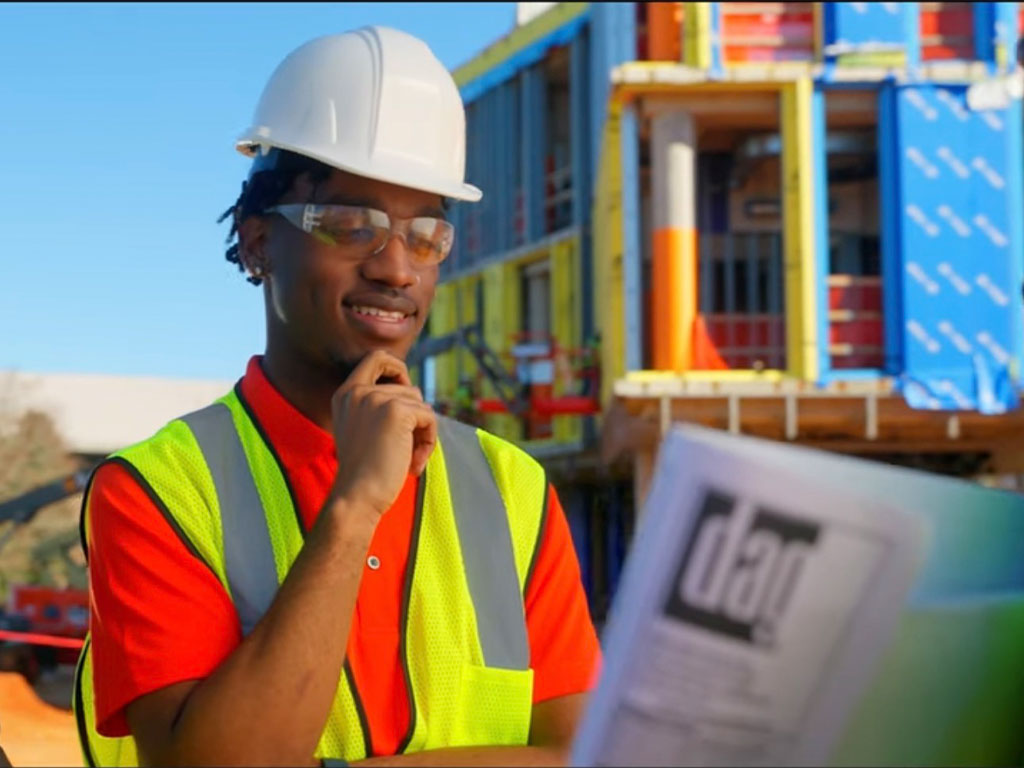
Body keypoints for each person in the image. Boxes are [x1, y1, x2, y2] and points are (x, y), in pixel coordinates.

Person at [74, 27, 599, 767]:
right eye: (351, 225)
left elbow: (584, 754)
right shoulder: (157, 492)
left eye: (426, 234)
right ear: (258, 244)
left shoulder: (512, 491)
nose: (395, 266)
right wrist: (353, 508)